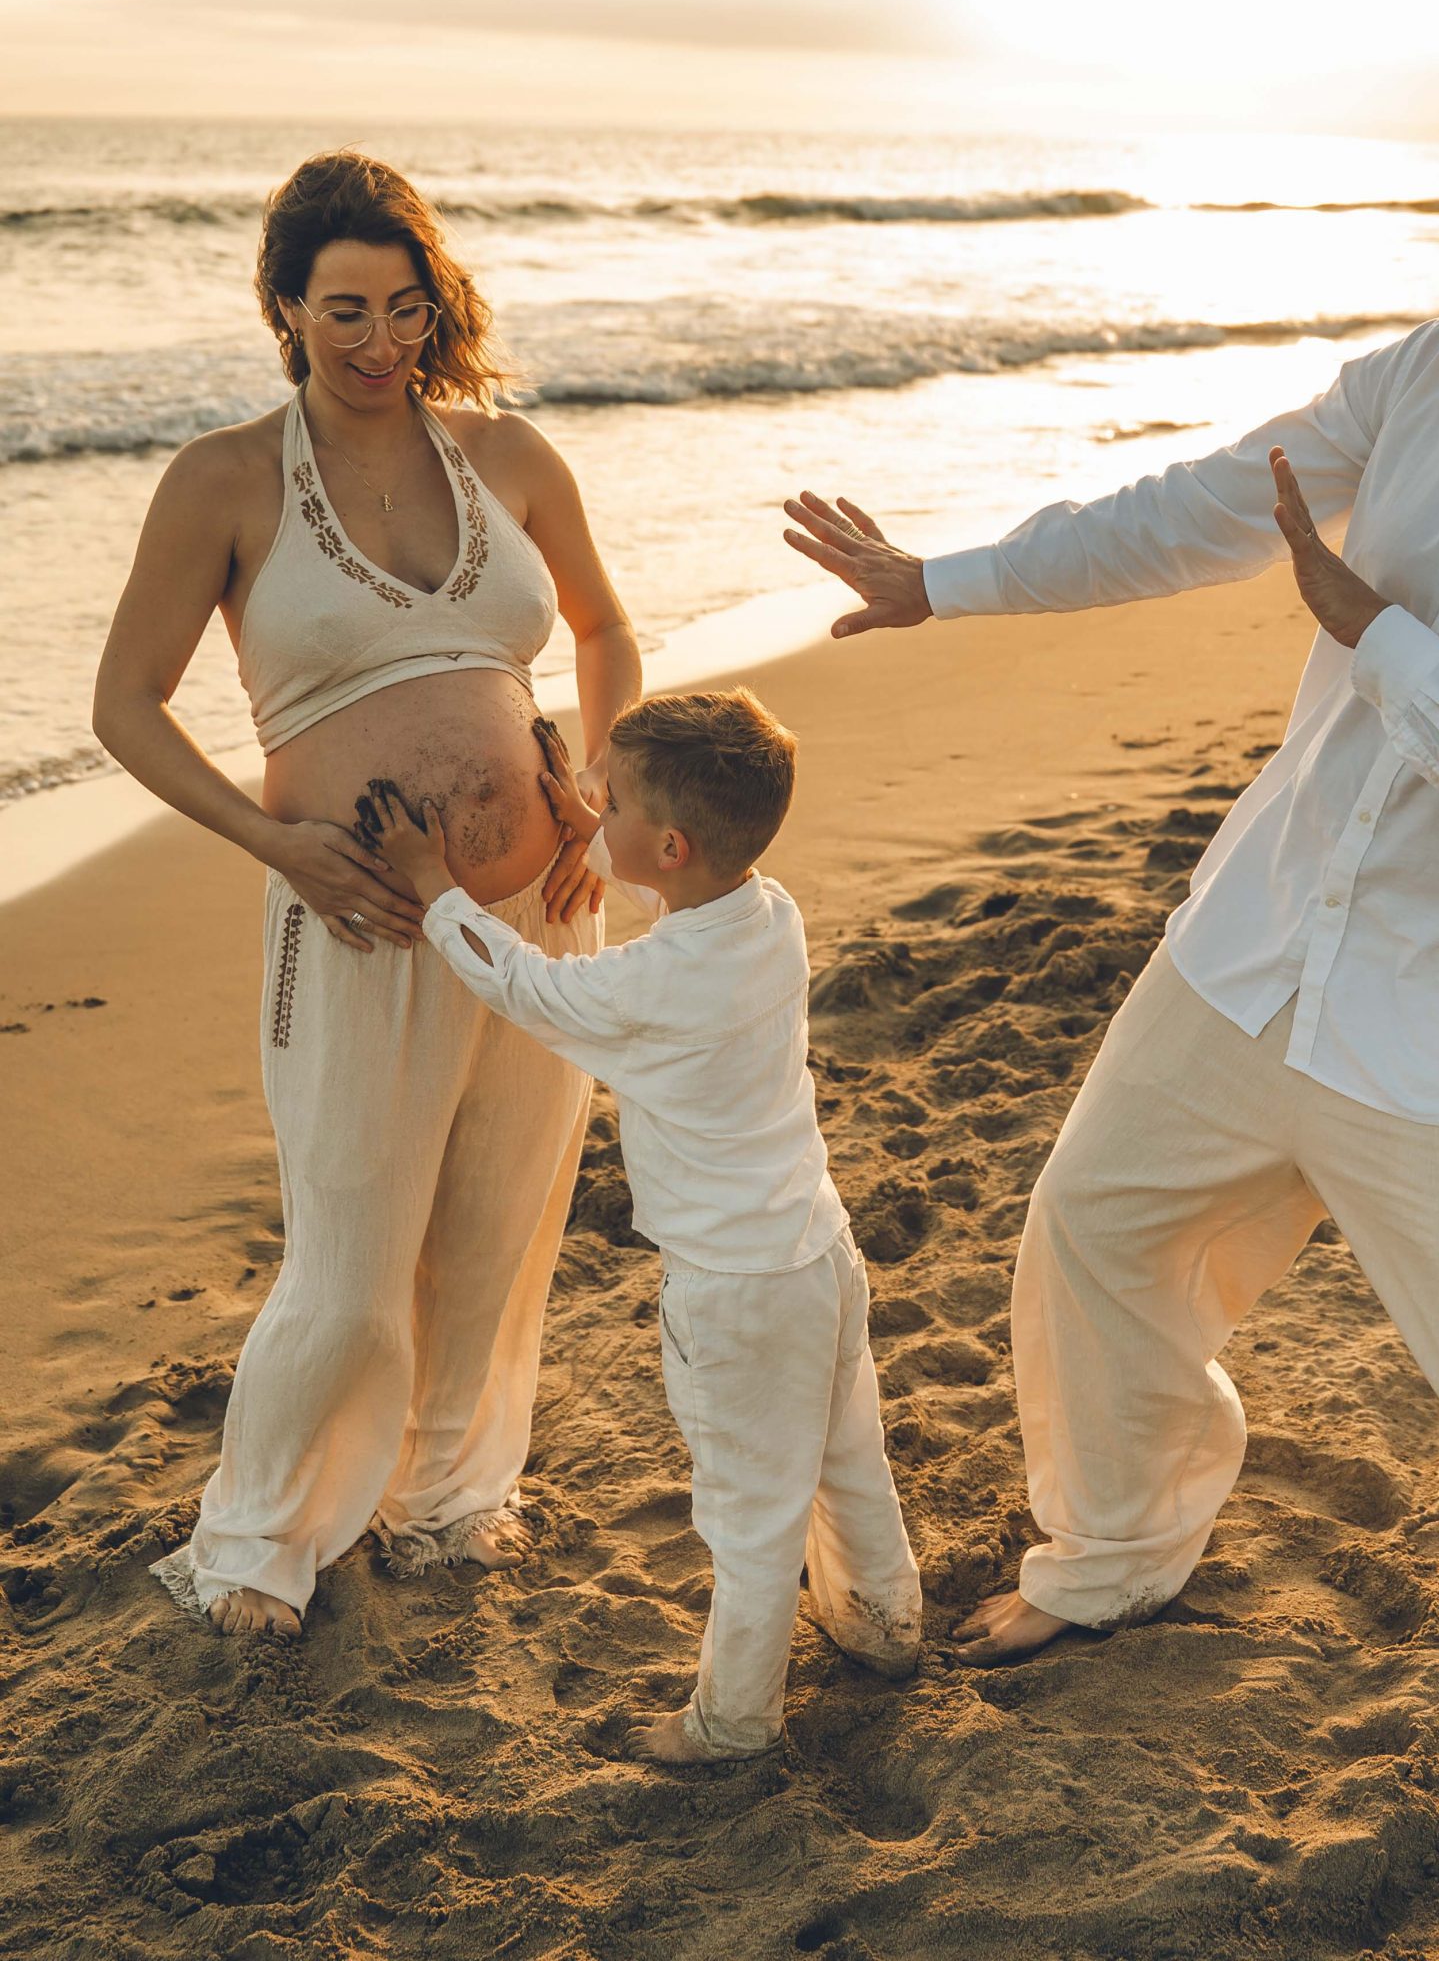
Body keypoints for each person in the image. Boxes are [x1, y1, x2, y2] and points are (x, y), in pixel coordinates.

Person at [779, 85, 1439, 1760]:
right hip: (1262, 939)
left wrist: (1379, 634)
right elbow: (1201, 504)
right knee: (1096, 1237)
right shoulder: (1436, 374)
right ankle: (1115, 1555)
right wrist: (947, 582)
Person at [95, 149, 642, 1637]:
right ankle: (260, 1541)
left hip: (542, 913)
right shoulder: (223, 479)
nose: (380, 340)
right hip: (357, 919)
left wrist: (597, 789)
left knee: (495, 1232)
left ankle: (449, 1497)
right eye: (344, 309)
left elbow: (604, 632)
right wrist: (270, 842)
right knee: (349, 1260)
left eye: (405, 307)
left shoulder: (510, 456)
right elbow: (127, 705)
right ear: (284, 306)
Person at [365, 687, 923, 1764]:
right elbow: (670, 886)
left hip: (734, 1292)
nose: (589, 807)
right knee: (850, 1453)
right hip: (818, 1250)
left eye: (606, 800)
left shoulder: (648, 986)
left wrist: (435, 885)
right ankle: (884, 1621)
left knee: (749, 1518)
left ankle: (734, 1720)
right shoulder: (772, 916)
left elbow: (521, 983)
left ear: (668, 846)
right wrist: (597, 829)